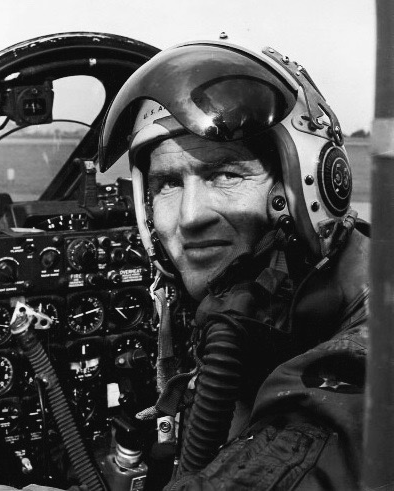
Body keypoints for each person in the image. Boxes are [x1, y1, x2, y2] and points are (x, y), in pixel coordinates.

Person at [98, 40, 369, 489]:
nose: (190, 217)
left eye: (225, 175)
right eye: (167, 183)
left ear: (311, 188)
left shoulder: (365, 354)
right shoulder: (263, 308)